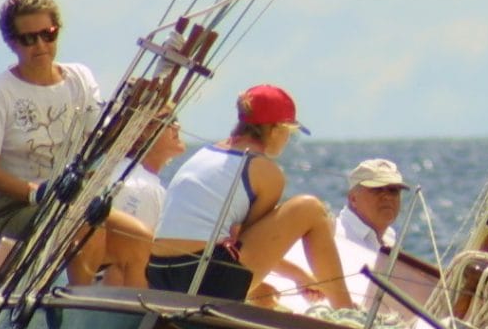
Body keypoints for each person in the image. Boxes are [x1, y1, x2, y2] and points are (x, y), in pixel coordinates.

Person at [146, 84, 355, 309]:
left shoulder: (205, 153)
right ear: (275, 130)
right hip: (201, 280)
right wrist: (301, 277)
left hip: (158, 275)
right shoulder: (265, 171)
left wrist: (292, 279)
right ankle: (347, 310)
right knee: (310, 209)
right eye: (289, 133)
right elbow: (249, 243)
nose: (288, 141)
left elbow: (242, 248)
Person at [0, 0, 102, 261]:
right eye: (29, 39)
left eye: (48, 34)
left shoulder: (81, 78)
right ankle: (78, 299)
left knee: (135, 233)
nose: (40, 45)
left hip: (72, 199)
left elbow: (96, 140)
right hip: (15, 210)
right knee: (79, 224)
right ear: (11, 42)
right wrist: (37, 193)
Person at [98, 112, 185, 287]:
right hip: (121, 302)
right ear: (142, 132)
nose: (178, 126)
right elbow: (126, 263)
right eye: (169, 121)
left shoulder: (122, 173)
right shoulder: (143, 188)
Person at [336, 158, 408, 252]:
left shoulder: (389, 237)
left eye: (393, 190)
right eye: (377, 189)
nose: (387, 197)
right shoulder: (335, 236)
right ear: (353, 198)